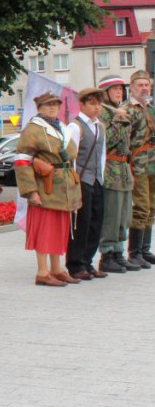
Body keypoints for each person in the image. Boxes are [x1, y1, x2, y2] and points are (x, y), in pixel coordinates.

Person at [14, 91, 82, 286]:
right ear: (39, 107)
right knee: (45, 229)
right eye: (48, 104)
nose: (53, 107)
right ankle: (42, 272)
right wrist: (31, 191)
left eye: (55, 104)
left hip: (64, 186)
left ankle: (57, 268)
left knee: (60, 228)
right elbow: (22, 160)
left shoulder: (61, 127)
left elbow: (71, 154)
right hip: (45, 186)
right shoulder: (33, 129)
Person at [96, 75, 138, 273]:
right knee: (111, 215)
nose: (119, 92)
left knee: (123, 215)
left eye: (121, 89)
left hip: (123, 169)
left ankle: (119, 253)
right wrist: (119, 120)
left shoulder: (119, 110)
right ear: (105, 92)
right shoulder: (104, 113)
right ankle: (107, 255)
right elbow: (107, 141)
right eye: (114, 89)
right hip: (110, 169)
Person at [65, 88, 107, 280]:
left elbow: (102, 154)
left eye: (98, 103)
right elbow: (70, 156)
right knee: (81, 223)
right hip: (81, 179)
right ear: (82, 104)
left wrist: (102, 176)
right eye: (92, 103)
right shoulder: (75, 126)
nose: (96, 107)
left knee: (95, 222)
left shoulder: (100, 126)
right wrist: (73, 181)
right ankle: (75, 264)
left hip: (97, 179)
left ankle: (88, 261)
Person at [128, 70, 155, 267]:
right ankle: (135, 252)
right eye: (140, 85)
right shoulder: (128, 110)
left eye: (147, 85)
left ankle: (145, 250)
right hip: (138, 166)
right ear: (132, 88)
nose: (144, 88)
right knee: (141, 208)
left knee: (152, 208)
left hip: (153, 164)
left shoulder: (151, 109)